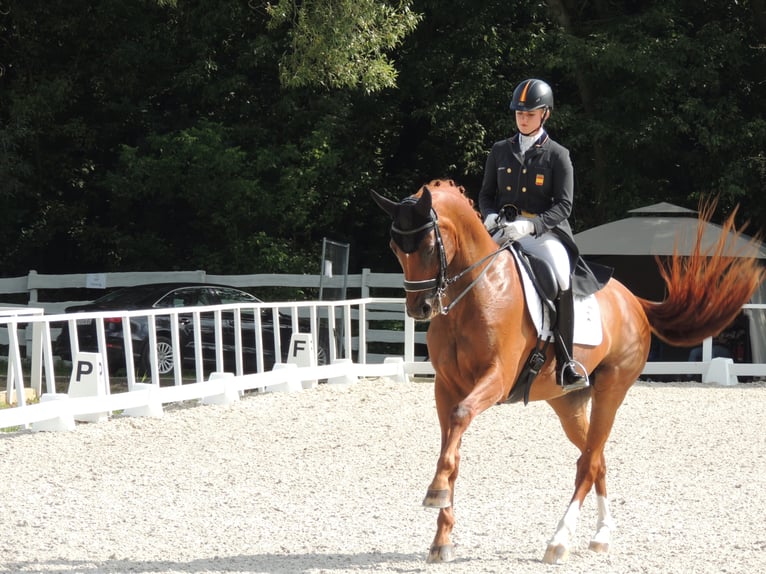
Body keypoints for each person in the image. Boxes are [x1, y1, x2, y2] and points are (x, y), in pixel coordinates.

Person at [478, 78, 589, 391]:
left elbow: (564, 206)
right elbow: (486, 194)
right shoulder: (500, 150)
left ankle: (566, 363)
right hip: (503, 229)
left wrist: (531, 225)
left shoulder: (558, 155)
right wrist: (488, 216)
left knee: (562, 278)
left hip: (543, 234)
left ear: (545, 114)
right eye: (518, 113)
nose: (522, 118)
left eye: (529, 113)